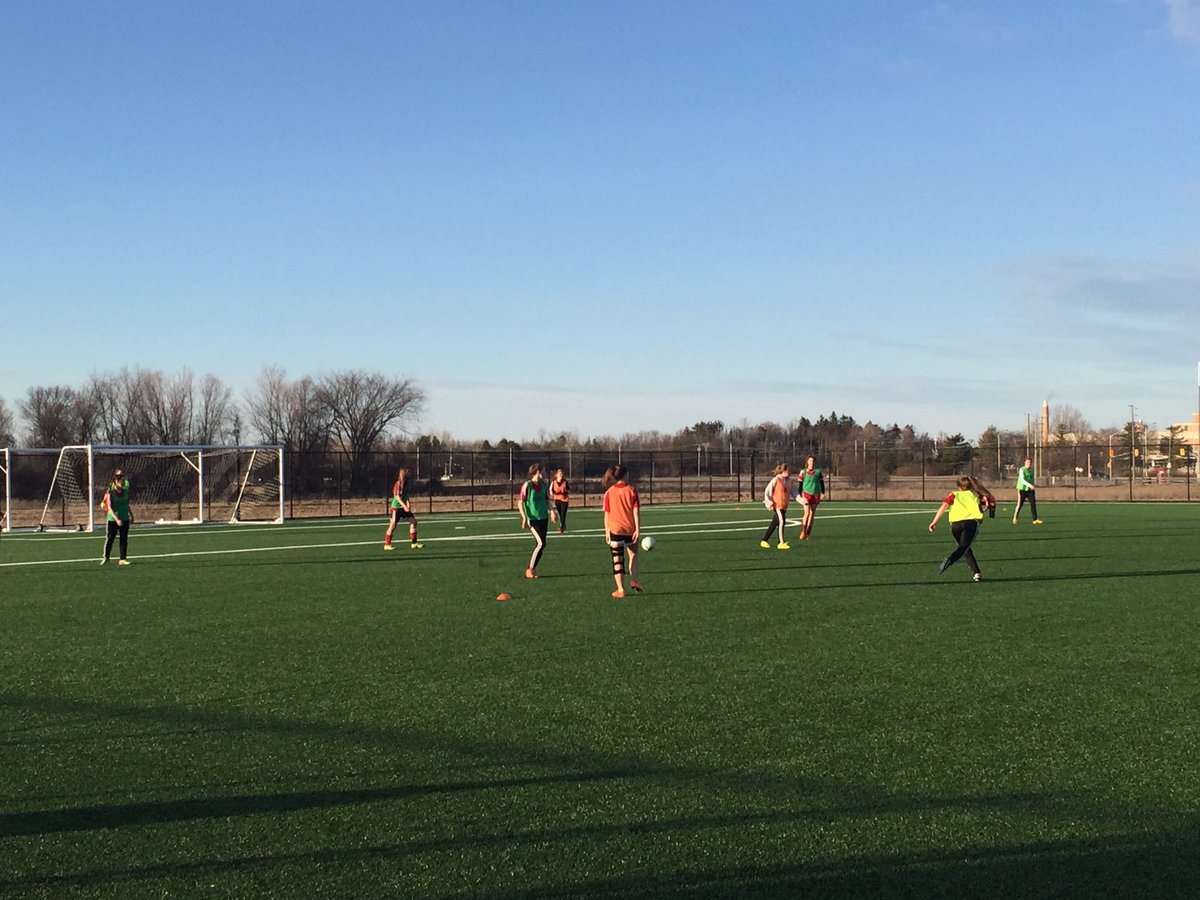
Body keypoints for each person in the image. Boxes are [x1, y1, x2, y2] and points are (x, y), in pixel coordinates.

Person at [928, 474, 996, 582]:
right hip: (970, 524)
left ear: (959, 487)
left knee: (965, 548)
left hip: (955, 525)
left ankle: (977, 573)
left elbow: (944, 506)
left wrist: (934, 522)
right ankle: (950, 560)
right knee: (963, 548)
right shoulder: (975, 496)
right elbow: (990, 503)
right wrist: (989, 506)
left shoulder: (954, 495)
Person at [602, 464, 642, 598]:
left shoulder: (609, 492)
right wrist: (637, 528)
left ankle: (620, 589)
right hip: (629, 529)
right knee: (633, 554)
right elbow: (636, 511)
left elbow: (607, 513)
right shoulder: (632, 490)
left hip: (615, 529)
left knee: (617, 560)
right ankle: (634, 580)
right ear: (625, 475)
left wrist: (607, 531)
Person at [519, 464, 553, 578]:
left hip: (543, 518)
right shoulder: (527, 485)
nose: (544, 473)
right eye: (542, 471)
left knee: (542, 545)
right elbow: (520, 502)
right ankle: (530, 569)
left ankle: (532, 568)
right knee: (541, 543)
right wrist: (524, 517)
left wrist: (552, 511)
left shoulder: (543, 485)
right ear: (537, 472)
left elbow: (547, 500)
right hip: (532, 519)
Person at [384, 467, 423, 550]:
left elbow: (406, 495)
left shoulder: (407, 483)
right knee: (393, 525)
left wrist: (408, 503)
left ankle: (414, 543)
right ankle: (387, 544)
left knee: (414, 522)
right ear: (403, 474)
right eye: (407, 473)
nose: (409, 474)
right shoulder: (398, 484)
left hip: (403, 508)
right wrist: (404, 506)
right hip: (396, 508)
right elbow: (397, 497)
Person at [100, 468, 132, 566]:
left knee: (124, 539)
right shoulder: (110, 493)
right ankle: (106, 557)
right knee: (110, 538)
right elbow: (109, 508)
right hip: (113, 519)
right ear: (115, 482)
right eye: (120, 481)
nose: (122, 482)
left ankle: (122, 559)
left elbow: (126, 504)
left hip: (124, 518)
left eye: (122, 481)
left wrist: (131, 514)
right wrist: (117, 519)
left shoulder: (125, 491)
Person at [759, 463, 793, 550]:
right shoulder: (776, 479)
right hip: (777, 505)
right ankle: (781, 543)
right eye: (788, 470)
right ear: (784, 471)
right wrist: (769, 503)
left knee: (775, 523)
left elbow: (795, 493)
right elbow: (767, 491)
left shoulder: (789, 481)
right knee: (781, 521)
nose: (790, 472)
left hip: (784, 506)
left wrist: (803, 501)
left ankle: (764, 540)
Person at [797, 456, 826, 541]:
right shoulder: (803, 472)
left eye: (813, 461)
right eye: (810, 461)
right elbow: (800, 485)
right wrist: (800, 495)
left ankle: (808, 533)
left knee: (812, 514)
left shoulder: (818, 472)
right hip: (806, 494)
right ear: (807, 462)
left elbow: (822, 483)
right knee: (806, 513)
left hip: (815, 494)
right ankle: (803, 531)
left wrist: (823, 493)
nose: (811, 462)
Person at [1013, 456, 1043, 524]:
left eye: (1029, 462)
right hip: (1022, 489)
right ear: (1025, 463)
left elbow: (1031, 479)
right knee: (1020, 504)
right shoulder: (1022, 469)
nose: (1028, 463)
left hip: (1030, 490)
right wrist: (1029, 485)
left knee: (1033, 504)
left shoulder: (1032, 469)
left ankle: (1035, 520)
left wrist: (1033, 485)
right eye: (1027, 462)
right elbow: (1022, 480)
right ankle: (1015, 517)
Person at [550, 468, 570, 533]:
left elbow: (568, 490)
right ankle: (563, 525)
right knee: (560, 514)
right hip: (557, 500)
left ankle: (562, 527)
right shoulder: (553, 482)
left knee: (563, 514)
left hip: (564, 500)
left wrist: (565, 492)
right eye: (560, 474)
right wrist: (553, 493)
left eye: (562, 474)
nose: (561, 475)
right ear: (557, 475)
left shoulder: (565, 482)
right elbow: (550, 490)